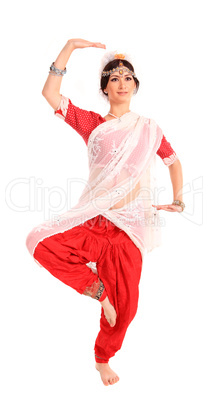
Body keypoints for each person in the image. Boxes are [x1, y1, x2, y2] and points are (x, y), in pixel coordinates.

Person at [26, 38, 185, 386]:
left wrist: (179, 198)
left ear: (136, 85)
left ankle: (102, 359)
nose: (122, 82)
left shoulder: (148, 128)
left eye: (128, 77)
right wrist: (68, 47)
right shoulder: (94, 125)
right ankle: (97, 290)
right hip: (96, 221)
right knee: (38, 241)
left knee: (126, 311)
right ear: (104, 88)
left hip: (132, 227)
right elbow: (51, 95)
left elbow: (172, 161)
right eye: (114, 78)